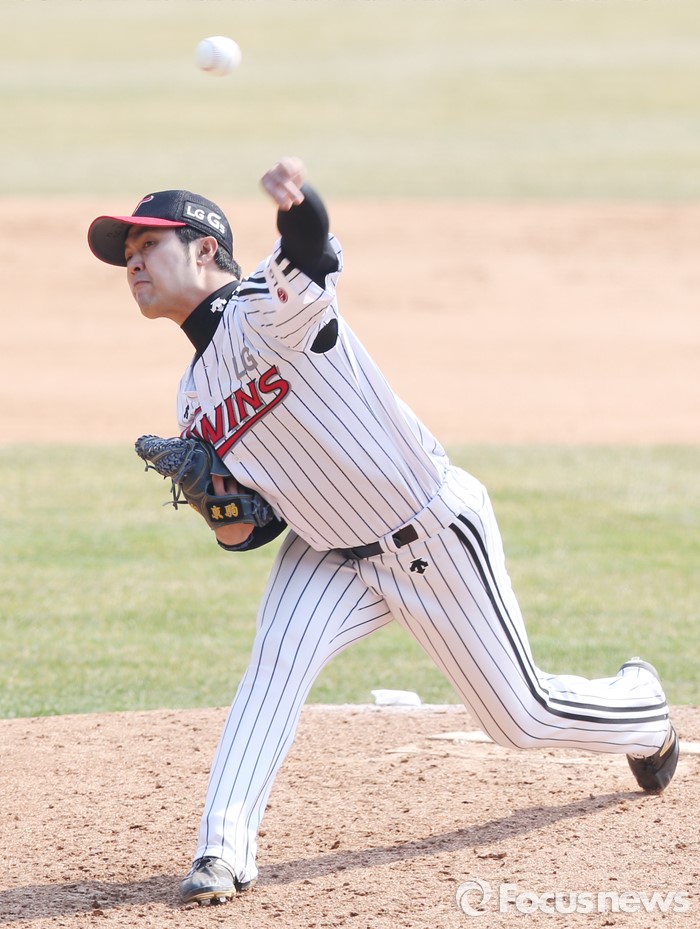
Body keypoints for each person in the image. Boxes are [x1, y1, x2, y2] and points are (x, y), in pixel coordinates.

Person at [87, 157, 679, 906]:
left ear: (206, 249)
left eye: (148, 245)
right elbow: (249, 532)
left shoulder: (268, 308)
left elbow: (309, 251)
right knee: (274, 663)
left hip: (432, 534)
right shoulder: (193, 398)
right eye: (127, 253)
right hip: (328, 553)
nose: (133, 263)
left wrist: (298, 205)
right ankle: (221, 849)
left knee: (522, 718)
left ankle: (642, 708)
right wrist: (219, 504)